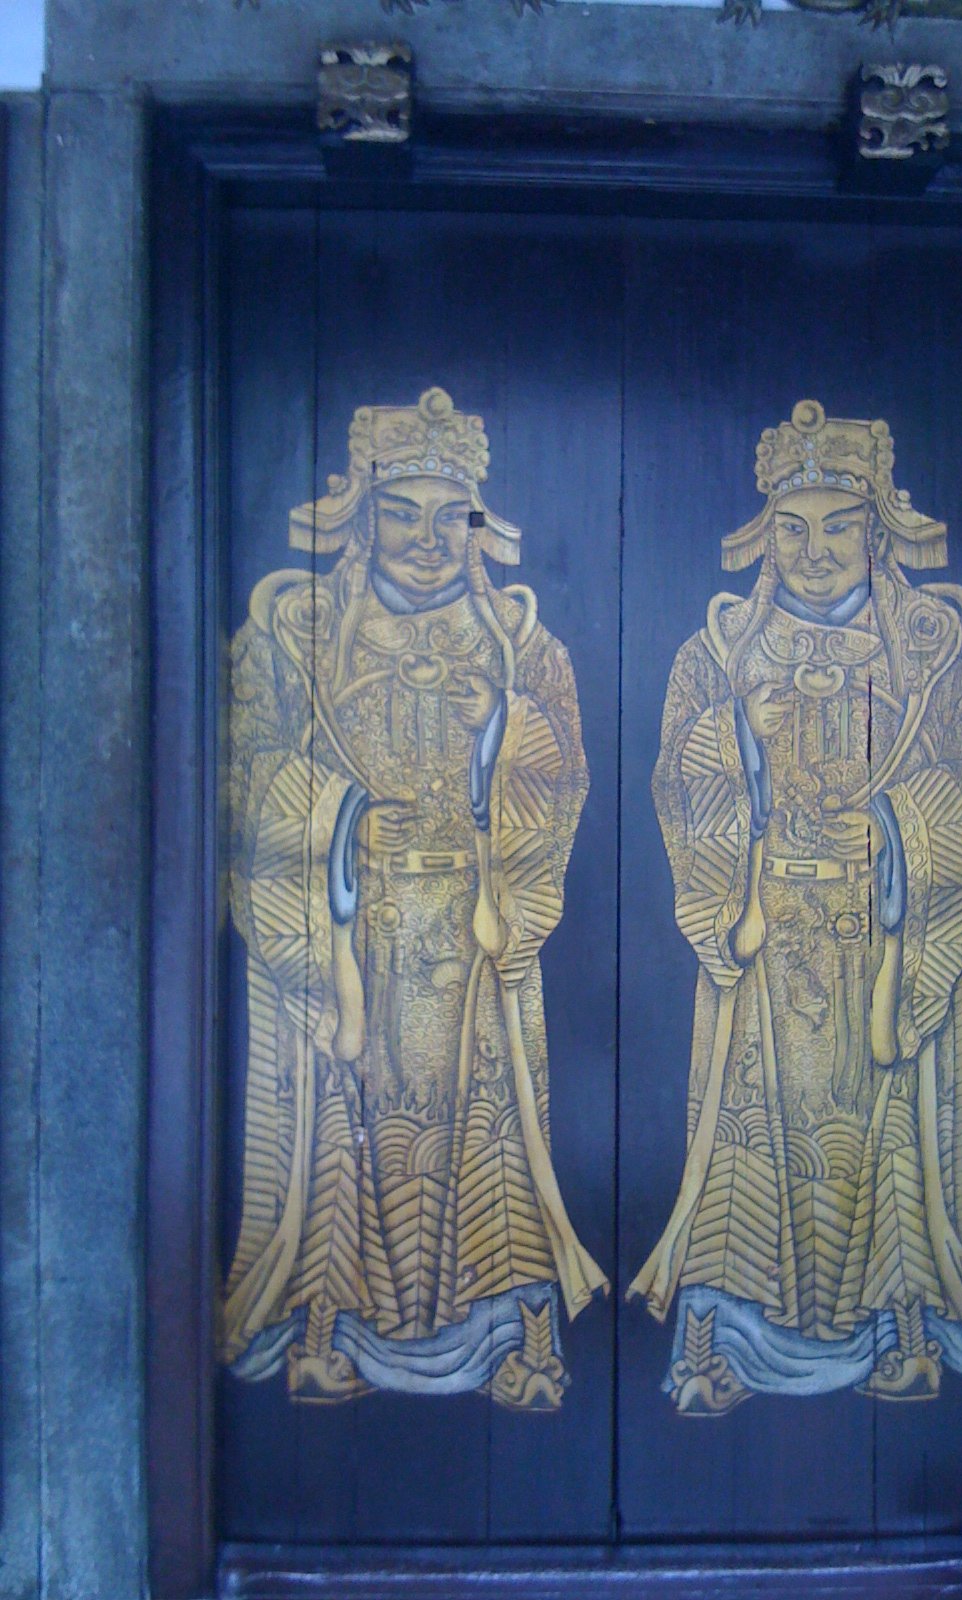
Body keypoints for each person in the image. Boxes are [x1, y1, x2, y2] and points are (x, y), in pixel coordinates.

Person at [221, 388, 607, 1406]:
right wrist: (341, 820)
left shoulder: (522, 646)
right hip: (351, 933)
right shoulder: (298, 634)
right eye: (402, 513)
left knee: (496, 1137)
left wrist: (504, 757)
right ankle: (327, 1330)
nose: (429, 541)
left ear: (481, 525)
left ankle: (514, 1337)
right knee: (338, 1132)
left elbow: (561, 782)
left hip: (475, 934)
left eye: (452, 517)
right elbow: (250, 783)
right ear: (362, 514)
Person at [630, 400, 962, 1410]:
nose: (816, 551)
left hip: (883, 935)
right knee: (744, 1141)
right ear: (765, 533)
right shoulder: (720, 651)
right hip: (767, 932)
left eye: (840, 526)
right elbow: (681, 790)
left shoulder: (933, 649)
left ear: (878, 528)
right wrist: (734, 754)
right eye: (793, 528)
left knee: (891, 1140)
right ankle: (720, 1338)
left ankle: (900, 1330)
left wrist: (900, 832)